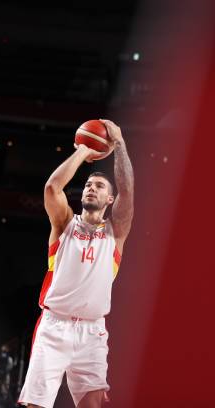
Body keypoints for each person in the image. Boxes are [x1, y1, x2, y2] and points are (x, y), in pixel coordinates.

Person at [18, 119, 134, 408]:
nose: (91, 189)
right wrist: (84, 149)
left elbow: (128, 193)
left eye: (99, 186)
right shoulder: (64, 224)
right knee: (35, 405)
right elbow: (51, 188)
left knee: (93, 405)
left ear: (110, 199)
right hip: (55, 326)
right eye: (88, 185)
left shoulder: (115, 233)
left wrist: (118, 144)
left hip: (93, 332)